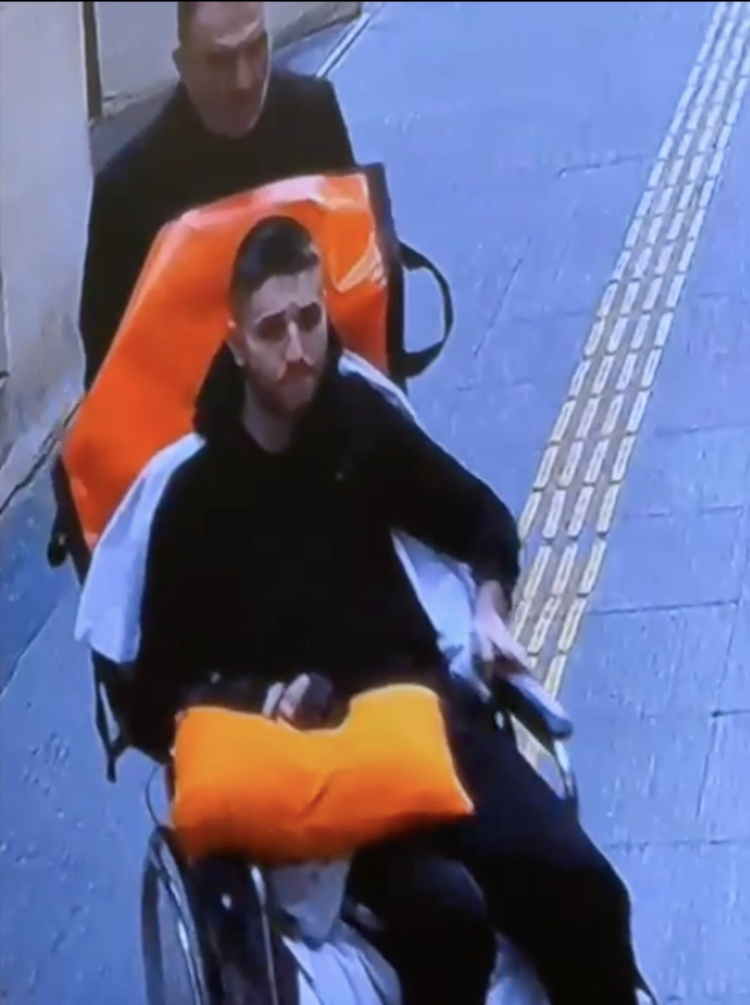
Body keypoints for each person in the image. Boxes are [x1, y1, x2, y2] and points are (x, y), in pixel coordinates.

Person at [116, 216, 647, 1005]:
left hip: (428, 714)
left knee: (587, 890)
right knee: (451, 918)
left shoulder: (358, 427)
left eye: (309, 319)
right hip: (325, 763)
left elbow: (480, 517)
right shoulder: (195, 501)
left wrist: (490, 609)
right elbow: (152, 693)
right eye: (272, 330)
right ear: (236, 344)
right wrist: (258, 699)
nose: (298, 348)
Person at [79, 0, 355, 389]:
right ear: (183, 65)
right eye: (220, 60)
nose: (244, 80)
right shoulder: (128, 193)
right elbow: (110, 378)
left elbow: (358, 279)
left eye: (255, 49)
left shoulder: (315, 117)